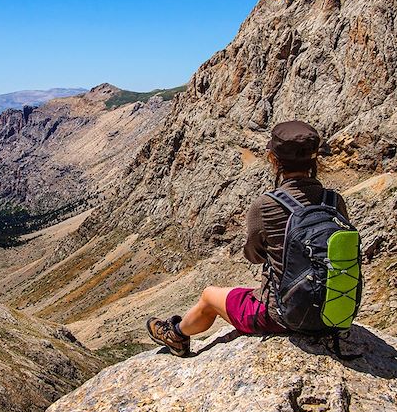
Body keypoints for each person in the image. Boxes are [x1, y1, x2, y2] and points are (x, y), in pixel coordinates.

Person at [146, 120, 349, 357]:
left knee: (209, 296)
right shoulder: (333, 201)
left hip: (282, 315)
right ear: (315, 160)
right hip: (335, 310)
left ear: (274, 159)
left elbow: (253, 255)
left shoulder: (267, 205)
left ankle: (176, 334)